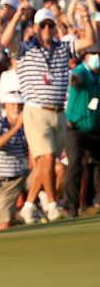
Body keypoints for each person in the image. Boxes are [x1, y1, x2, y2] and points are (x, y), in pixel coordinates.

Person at [0, 0, 95, 220]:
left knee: (47, 161)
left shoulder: (63, 47)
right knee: (48, 158)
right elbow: (5, 40)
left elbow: (89, 40)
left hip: (58, 113)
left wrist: (86, 17)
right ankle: (52, 204)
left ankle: (29, 204)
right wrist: (17, 16)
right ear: (35, 27)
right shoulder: (26, 49)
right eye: (42, 25)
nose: (46, 29)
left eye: (50, 25)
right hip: (35, 110)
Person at [63, 43, 100, 216]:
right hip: (76, 128)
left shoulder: (97, 75)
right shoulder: (82, 71)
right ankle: (71, 207)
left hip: (95, 128)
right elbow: (76, 78)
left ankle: (99, 202)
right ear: (86, 55)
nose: (97, 57)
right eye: (93, 53)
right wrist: (75, 81)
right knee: (75, 164)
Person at [0, 88, 29, 230]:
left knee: (57, 169)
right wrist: (16, 127)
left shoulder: (27, 123)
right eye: (13, 104)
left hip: (23, 177)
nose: (16, 108)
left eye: (19, 105)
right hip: (4, 183)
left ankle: (30, 206)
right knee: (3, 225)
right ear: (6, 106)